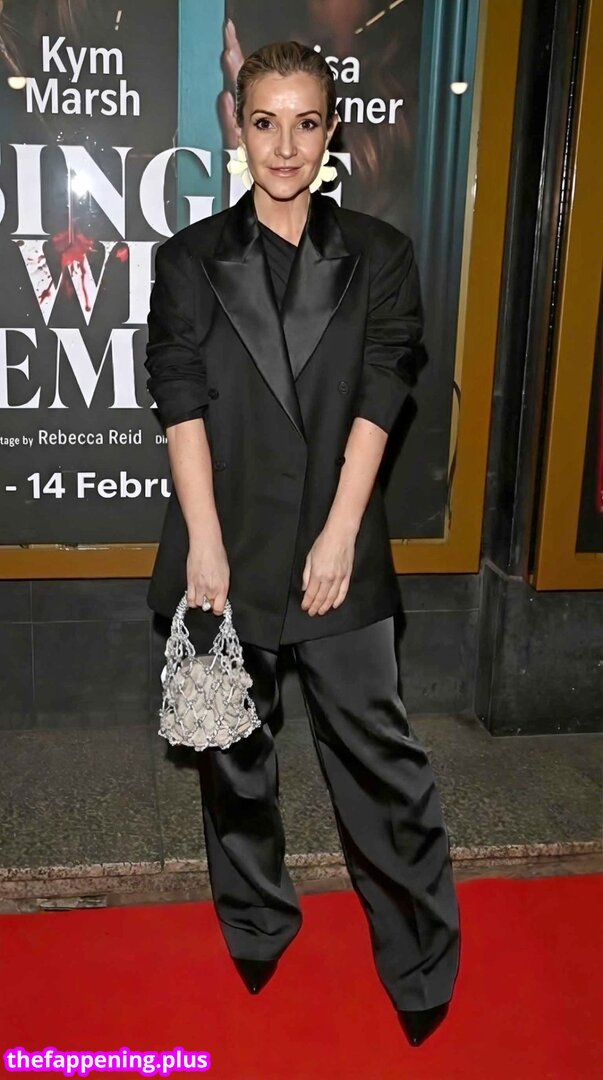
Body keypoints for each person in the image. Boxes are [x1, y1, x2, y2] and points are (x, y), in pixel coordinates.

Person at [144, 40, 461, 1048]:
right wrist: (204, 545)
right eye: (264, 122)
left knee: (380, 761)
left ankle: (420, 956)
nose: (283, 146)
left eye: (305, 122)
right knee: (234, 760)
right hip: (225, 545)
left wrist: (339, 533)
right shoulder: (188, 260)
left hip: (339, 550)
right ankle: (256, 924)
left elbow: (381, 393)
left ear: (330, 132)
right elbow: (180, 401)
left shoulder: (379, 254)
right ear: (238, 128)